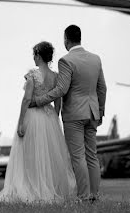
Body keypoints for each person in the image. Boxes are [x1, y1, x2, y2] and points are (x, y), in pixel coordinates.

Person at [32, 24, 107, 202]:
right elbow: (102, 87)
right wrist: (101, 111)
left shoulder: (66, 61)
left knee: (78, 157)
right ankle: (94, 195)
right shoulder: (96, 59)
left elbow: (61, 89)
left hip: (74, 115)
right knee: (92, 156)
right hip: (93, 113)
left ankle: (83, 197)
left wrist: (38, 101)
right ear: (80, 38)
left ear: (66, 39)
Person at [0, 41, 77, 204]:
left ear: (38, 55)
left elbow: (26, 100)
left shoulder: (33, 74)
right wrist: (55, 116)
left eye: (34, 55)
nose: (33, 58)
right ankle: (48, 187)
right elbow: (58, 100)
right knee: (48, 155)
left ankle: (32, 187)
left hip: (33, 116)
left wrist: (20, 122)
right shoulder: (55, 76)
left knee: (30, 155)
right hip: (49, 118)